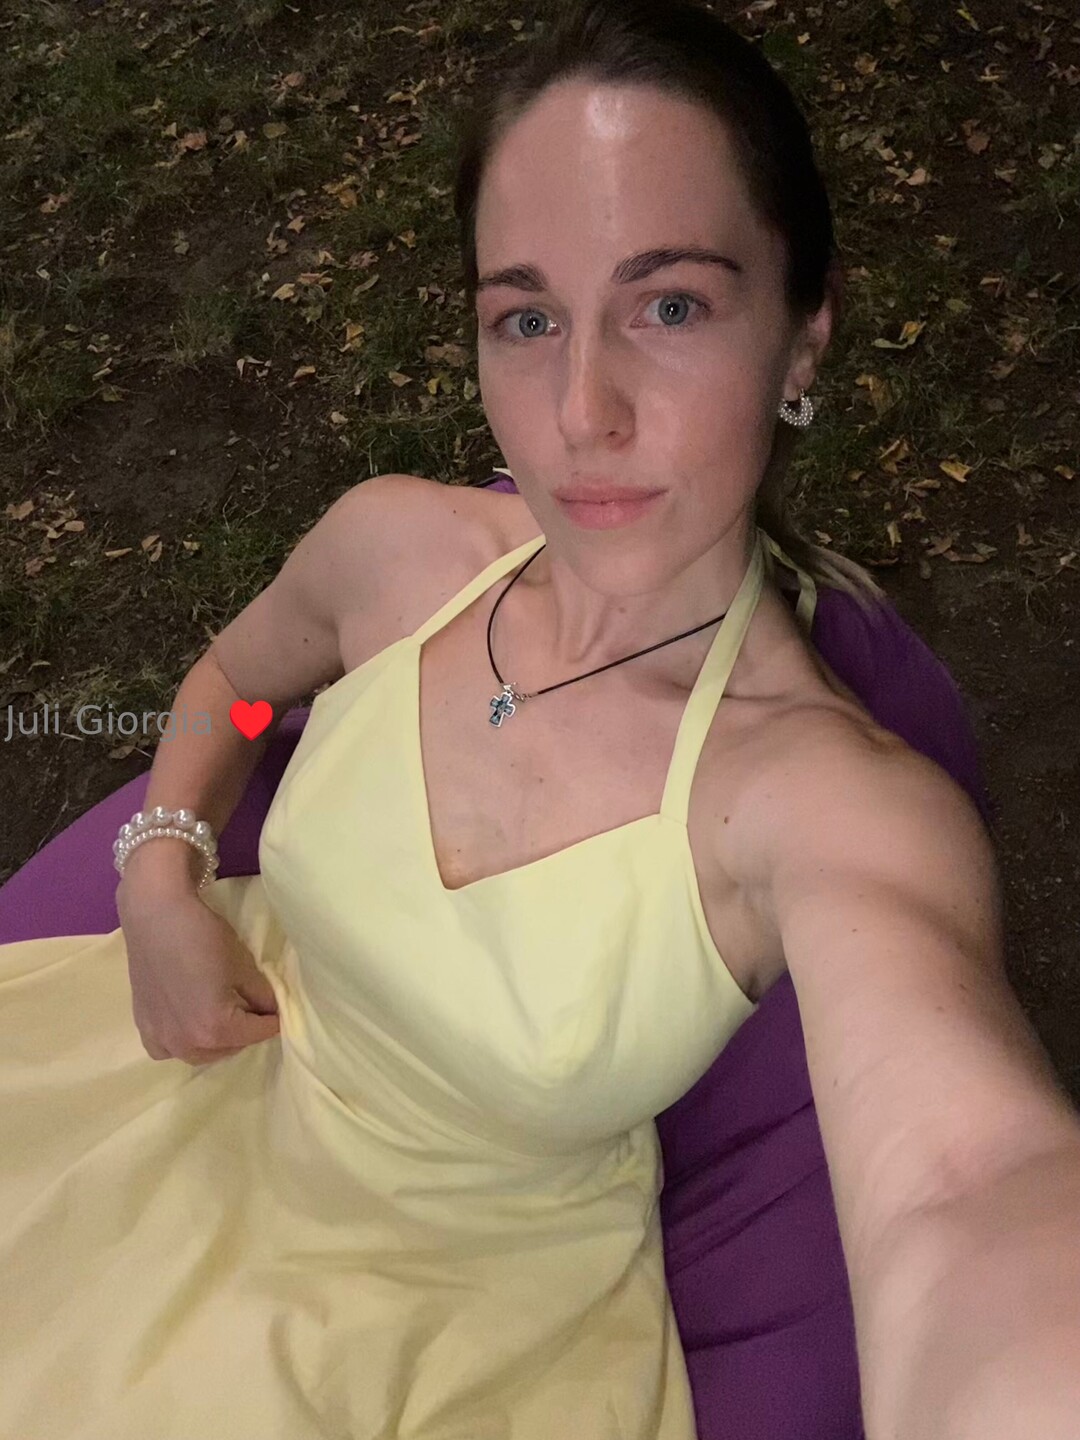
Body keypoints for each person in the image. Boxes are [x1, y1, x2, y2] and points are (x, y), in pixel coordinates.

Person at [1, 3, 1079, 1438]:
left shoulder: (823, 800)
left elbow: (967, 1185)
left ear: (803, 335)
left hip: (463, 1330)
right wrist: (160, 872)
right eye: (527, 318)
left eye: (671, 306)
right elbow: (237, 685)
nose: (582, 412)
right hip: (203, 1120)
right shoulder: (397, 555)